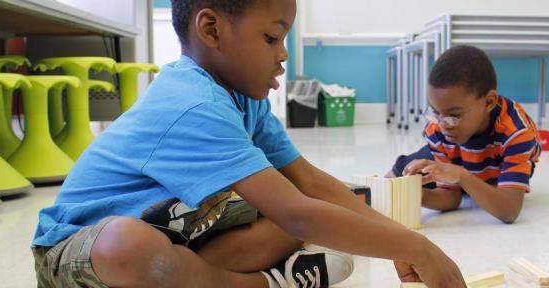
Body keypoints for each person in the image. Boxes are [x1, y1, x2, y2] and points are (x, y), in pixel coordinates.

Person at [31, 1, 466, 287]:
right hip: (79, 251)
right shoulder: (192, 102)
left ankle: (211, 276)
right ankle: (267, 283)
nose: (284, 55)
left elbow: (310, 184)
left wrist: (397, 239)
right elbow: (299, 216)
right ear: (212, 29)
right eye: (271, 38)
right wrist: (418, 249)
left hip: (180, 233)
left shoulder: (244, 96)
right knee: (131, 246)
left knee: (327, 202)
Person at [389, 45, 541, 224]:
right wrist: (419, 195)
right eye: (436, 112)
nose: (444, 125)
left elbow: (509, 211)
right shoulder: (437, 129)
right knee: (409, 169)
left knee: (475, 182)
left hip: (489, 170)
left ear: (489, 102)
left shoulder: (517, 134)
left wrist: (462, 176)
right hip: (460, 163)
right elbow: (451, 197)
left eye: (454, 115)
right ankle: (391, 177)